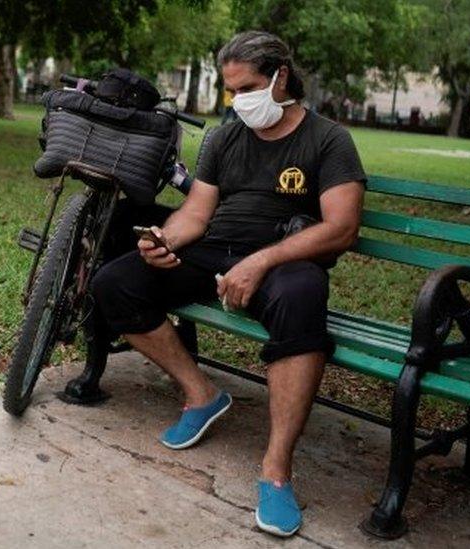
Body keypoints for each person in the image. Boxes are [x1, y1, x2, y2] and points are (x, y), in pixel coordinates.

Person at [90, 31, 366, 537]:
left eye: (249, 87)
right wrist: (163, 239)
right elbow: (196, 214)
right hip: (214, 249)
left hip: (285, 260)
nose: (240, 100)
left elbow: (342, 228)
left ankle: (276, 470)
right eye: (232, 90)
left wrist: (261, 262)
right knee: (116, 282)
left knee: (303, 298)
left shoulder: (328, 139)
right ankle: (201, 393)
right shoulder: (224, 136)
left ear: (281, 77)